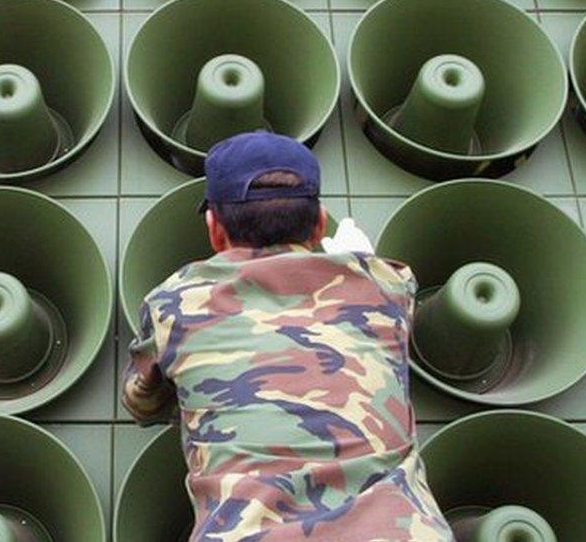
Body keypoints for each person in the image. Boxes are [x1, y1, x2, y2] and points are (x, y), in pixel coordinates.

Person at [122, 132, 454, 541]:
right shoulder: (388, 286)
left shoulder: (173, 304)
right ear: (319, 224)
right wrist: (364, 264)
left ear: (215, 229)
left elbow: (142, 402)